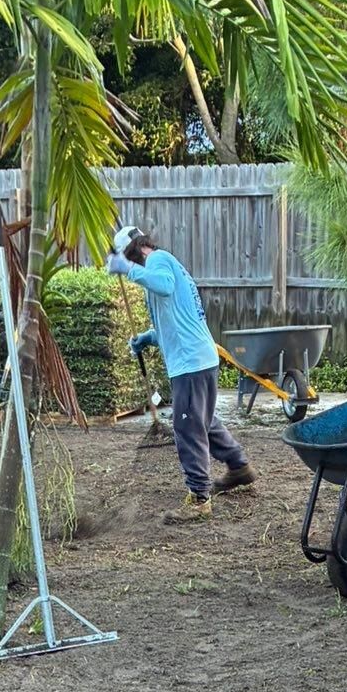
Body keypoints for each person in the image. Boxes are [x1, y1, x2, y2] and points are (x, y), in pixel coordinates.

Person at [105, 222, 255, 521]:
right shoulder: (170, 264)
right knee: (204, 420)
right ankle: (239, 467)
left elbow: (163, 285)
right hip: (200, 357)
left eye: (130, 262)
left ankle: (199, 499)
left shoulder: (157, 260)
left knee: (187, 426)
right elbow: (175, 317)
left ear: (133, 253)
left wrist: (126, 269)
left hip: (189, 363)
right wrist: (148, 337)